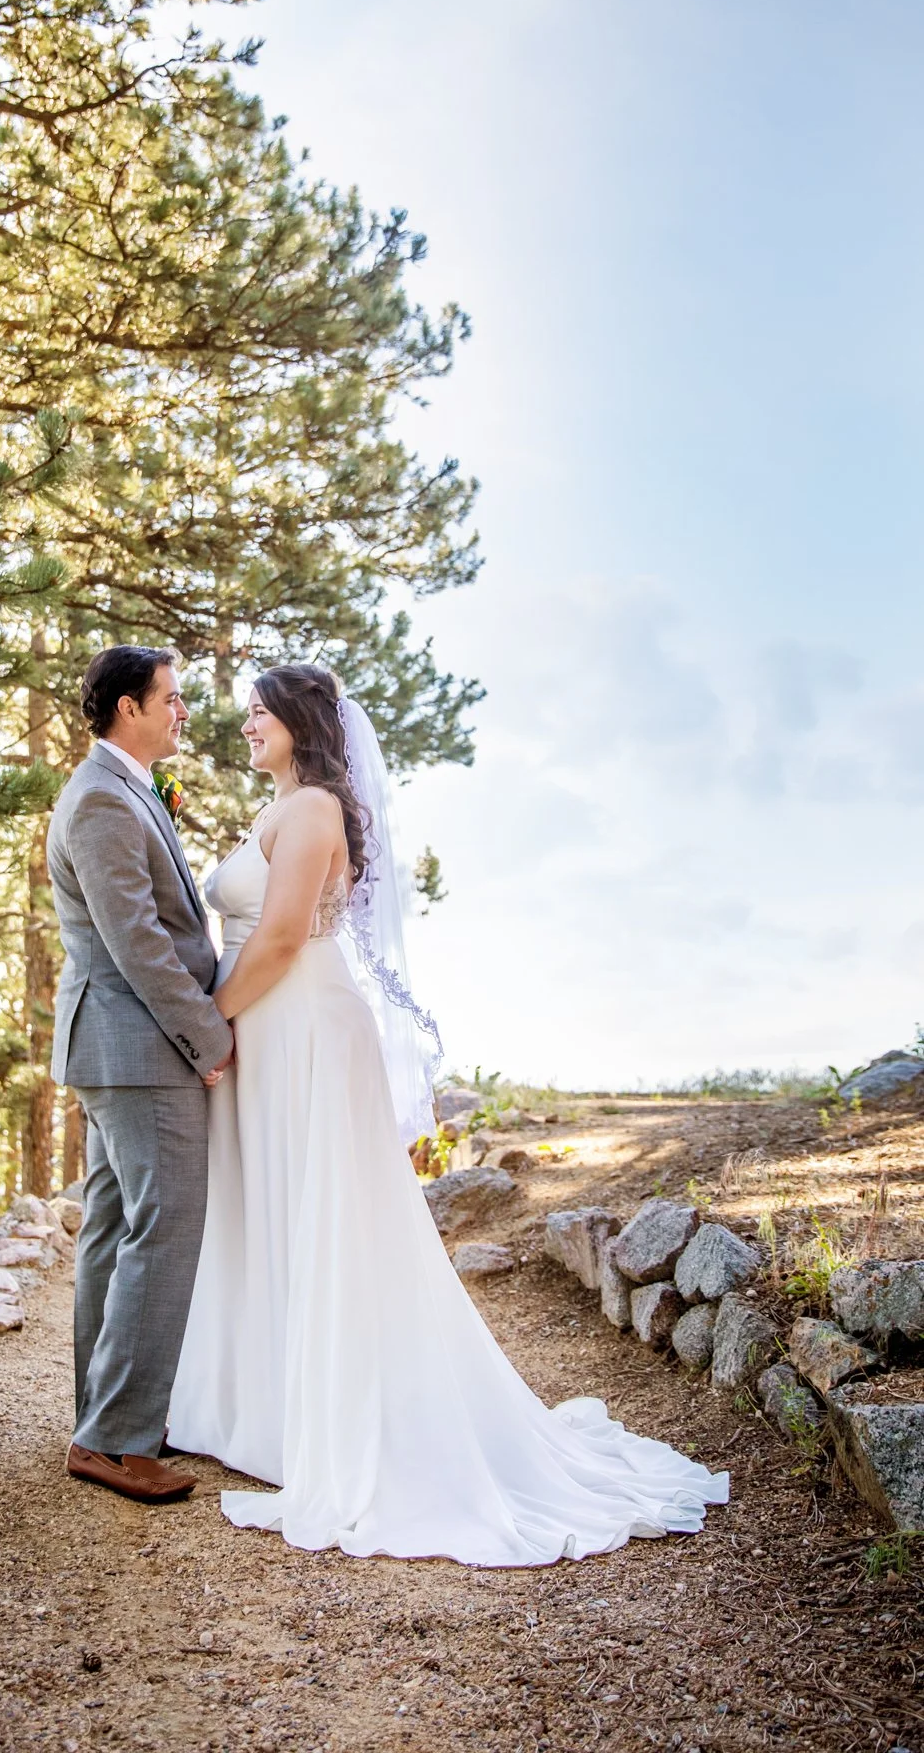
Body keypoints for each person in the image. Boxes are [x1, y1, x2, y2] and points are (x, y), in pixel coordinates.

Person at [166, 662, 729, 1565]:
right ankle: (270, 1409)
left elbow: (275, 939)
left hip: (301, 1022)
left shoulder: (311, 808)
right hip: (271, 1026)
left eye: (260, 714)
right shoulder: (282, 807)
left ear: (301, 722)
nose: (247, 726)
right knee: (275, 1207)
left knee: (326, 1215)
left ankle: (343, 1419)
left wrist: (207, 1028)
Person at [47, 645, 233, 1505]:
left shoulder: (123, 788)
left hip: (122, 1046)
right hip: (138, 1045)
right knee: (165, 1226)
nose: (182, 709)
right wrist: (211, 1037)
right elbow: (139, 947)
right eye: (172, 697)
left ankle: (104, 1421)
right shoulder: (98, 801)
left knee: (116, 1227)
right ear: (129, 707)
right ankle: (117, 1440)